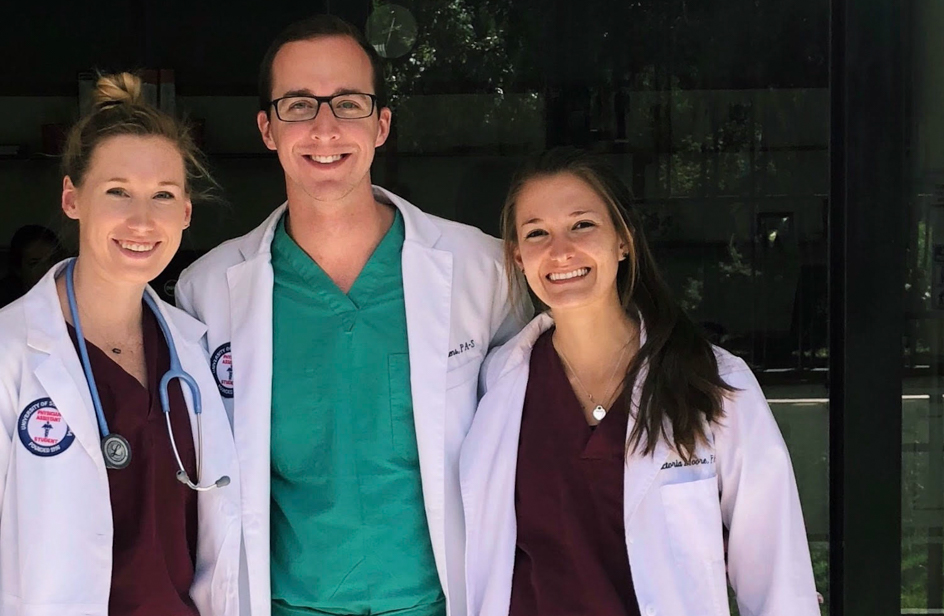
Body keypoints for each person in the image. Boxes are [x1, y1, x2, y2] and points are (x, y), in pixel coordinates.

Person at [176, 15, 526, 616]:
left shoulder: (482, 270)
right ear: (267, 129)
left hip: (442, 602)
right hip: (285, 604)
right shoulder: (206, 290)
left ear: (381, 124)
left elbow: (536, 437)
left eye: (348, 102)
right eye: (298, 105)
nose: (324, 127)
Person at [0, 72, 241, 616]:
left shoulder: (190, 348)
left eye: (163, 195)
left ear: (185, 213)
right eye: (117, 192)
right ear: (71, 198)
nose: (141, 219)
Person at [460, 147, 820, 616]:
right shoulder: (495, 383)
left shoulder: (712, 382)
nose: (560, 250)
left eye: (582, 225)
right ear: (518, 258)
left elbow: (776, 573)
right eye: (536, 233)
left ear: (623, 240)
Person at [0, 224, 63, 326]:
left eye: (52, 260)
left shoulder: (70, 294)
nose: (46, 269)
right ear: (18, 268)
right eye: (34, 263)